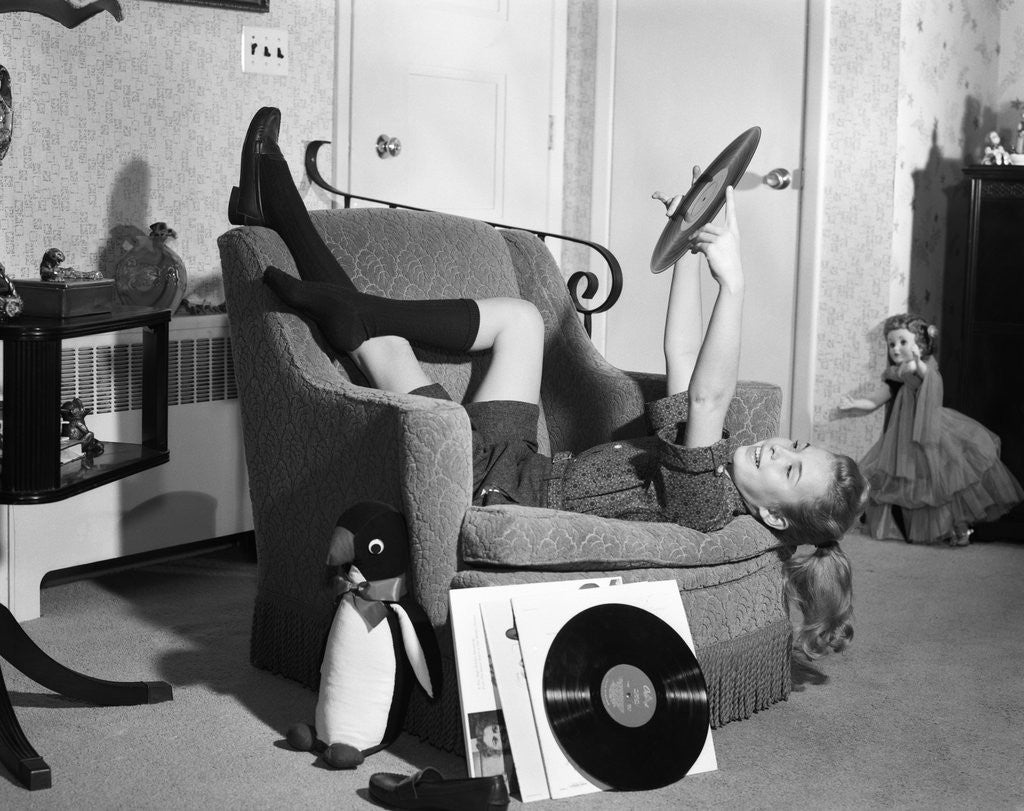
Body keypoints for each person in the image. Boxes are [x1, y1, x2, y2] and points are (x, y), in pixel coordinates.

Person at [230, 107, 868, 660]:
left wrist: (737, 281)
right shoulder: (716, 455)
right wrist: (693, 246)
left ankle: (282, 209)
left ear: (766, 514)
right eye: (795, 448)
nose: (777, 452)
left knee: (379, 346)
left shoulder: (705, 499)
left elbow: (707, 392)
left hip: (491, 486)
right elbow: (681, 352)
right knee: (522, 320)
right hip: (522, 462)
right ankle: (337, 282)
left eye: (787, 473)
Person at [839, 313, 1023, 545]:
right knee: (909, 483)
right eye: (891, 343)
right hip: (902, 436)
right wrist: (855, 404)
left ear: (919, 343)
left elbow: (929, 376)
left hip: (931, 430)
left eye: (903, 342)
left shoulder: (921, 367)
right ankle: (914, 529)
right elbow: (876, 400)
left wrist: (917, 362)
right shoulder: (895, 375)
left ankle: (959, 528)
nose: (895, 349)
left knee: (943, 481)